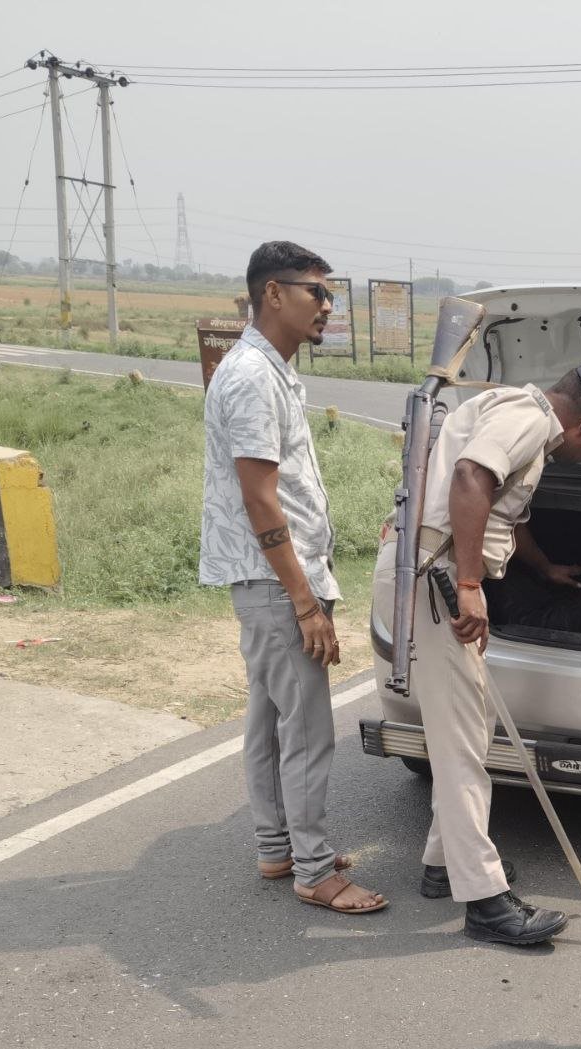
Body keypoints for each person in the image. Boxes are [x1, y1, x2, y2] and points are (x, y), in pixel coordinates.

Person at [414, 359, 581, 946]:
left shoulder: (517, 411)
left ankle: (444, 862)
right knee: (462, 745)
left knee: (472, 725)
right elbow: (470, 478)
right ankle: (484, 902)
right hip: (435, 579)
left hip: (432, 573)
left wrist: (542, 568)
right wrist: (467, 584)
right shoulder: (532, 421)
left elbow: (505, 508)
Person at [200, 241, 387, 915]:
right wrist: (307, 603)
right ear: (272, 293)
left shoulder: (267, 369)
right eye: (315, 291)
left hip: (267, 583)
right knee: (306, 727)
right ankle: (312, 868)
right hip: (279, 584)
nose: (327, 306)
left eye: (330, 294)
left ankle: (278, 845)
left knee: (268, 721)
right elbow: (260, 498)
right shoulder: (252, 375)